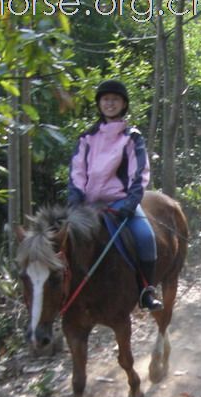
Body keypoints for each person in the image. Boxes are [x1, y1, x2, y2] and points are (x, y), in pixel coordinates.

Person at [67, 79, 162, 311]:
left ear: (123, 104)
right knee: (60, 241)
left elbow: (139, 174)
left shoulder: (132, 137)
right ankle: (63, 297)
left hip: (121, 202)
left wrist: (130, 203)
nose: (110, 103)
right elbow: (77, 172)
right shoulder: (86, 138)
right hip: (88, 204)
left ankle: (145, 290)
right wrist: (75, 201)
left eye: (115, 99)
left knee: (145, 237)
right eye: (105, 99)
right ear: (99, 104)